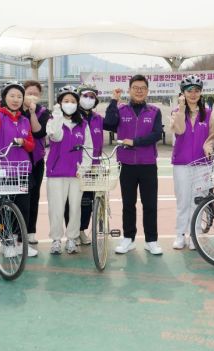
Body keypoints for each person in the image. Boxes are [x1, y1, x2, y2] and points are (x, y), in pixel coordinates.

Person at [103, 74, 164, 255]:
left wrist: (134, 142)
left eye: (142, 88)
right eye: (135, 88)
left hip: (148, 164)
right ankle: (128, 238)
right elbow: (108, 123)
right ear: (129, 90)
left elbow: (156, 135)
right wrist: (113, 101)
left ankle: (151, 240)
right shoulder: (121, 110)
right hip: (126, 164)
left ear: (147, 91)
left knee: (150, 204)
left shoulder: (154, 111)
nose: (139, 91)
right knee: (128, 203)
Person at [0, 80, 37, 257]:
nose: (16, 100)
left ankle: (18, 242)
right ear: (4, 97)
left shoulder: (24, 120)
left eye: (19, 96)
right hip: (3, 169)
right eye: (12, 96)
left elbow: (31, 145)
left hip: (23, 170)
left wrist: (24, 142)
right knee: (4, 209)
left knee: (23, 208)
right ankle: (7, 242)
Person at [170, 75, 214, 250]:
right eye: (189, 91)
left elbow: (213, 135)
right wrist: (181, 107)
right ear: (183, 93)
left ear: (201, 93)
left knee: (198, 200)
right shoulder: (176, 112)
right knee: (183, 200)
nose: (193, 94)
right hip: (181, 163)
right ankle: (180, 235)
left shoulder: (208, 113)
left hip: (202, 164)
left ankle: (194, 234)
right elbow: (180, 130)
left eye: (196, 90)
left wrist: (208, 144)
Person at [46, 86, 92, 254]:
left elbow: (88, 148)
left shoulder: (83, 124)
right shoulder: (53, 121)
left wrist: (84, 168)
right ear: (59, 103)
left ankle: (72, 239)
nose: (70, 104)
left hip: (76, 173)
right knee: (56, 208)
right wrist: (57, 115)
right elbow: (56, 136)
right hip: (56, 172)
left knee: (75, 208)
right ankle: (56, 240)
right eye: (66, 101)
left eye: (73, 101)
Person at [63, 83, 104, 245]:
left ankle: (81, 230)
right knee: (72, 202)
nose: (88, 99)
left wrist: (115, 102)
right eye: (85, 96)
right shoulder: (72, 117)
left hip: (94, 166)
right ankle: (72, 233)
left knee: (88, 201)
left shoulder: (98, 119)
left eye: (92, 97)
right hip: (75, 167)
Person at [22, 80, 50, 245]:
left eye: (35, 93)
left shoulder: (43, 112)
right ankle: (17, 233)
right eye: (29, 93)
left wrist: (32, 113)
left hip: (36, 161)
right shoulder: (15, 110)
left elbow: (39, 133)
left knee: (34, 197)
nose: (32, 96)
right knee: (19, 199)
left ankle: (31, 231)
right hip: (17, 162)